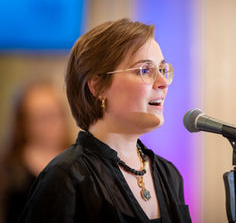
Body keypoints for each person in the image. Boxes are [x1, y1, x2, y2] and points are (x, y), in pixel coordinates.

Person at [19, 19, 192, 223]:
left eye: (162, 70)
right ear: (98, 86)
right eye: (144, 70)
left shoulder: (169, 175)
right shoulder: (66, 177)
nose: (163, 83)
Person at [0, 81, 71, 223]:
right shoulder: (8, 168)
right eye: (40, 117)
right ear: (24, 123)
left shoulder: (82, 162)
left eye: (54, 114)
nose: (50, 123)